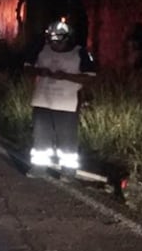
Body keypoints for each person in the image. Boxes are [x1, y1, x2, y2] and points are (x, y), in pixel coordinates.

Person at [25, 17, 97, 179]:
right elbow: (27, 68)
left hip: (68, 104)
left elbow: (90, 77)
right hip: (42, 101)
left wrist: (66, 76)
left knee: (67, 141)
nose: (55, 45)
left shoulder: (81, 53)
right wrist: (40, 71)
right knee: (40, 138)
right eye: (52, 41)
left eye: (58, 41)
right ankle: (39, 167)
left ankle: (68, 171)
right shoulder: (41, 50)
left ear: (68, 38)